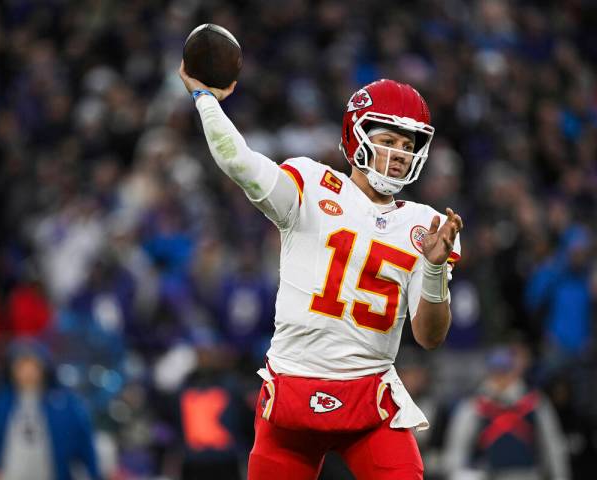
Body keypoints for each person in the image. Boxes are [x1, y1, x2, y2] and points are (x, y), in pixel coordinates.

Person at [178, 61, 463, 480]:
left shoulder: (425, 226)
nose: (400, 154)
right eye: (388, 140)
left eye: (408, 144)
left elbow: (429, 337)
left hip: (371, 396)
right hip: (294, 388)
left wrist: (435, 269)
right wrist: (206, 100)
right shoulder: (311, 185)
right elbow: (239, 162)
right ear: (357, 137)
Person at [0, 339, 99, 480]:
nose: (28, 372)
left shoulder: (65, 404)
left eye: (33, 366)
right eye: (21, 366)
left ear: (43, 368)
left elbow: (84, 441)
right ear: (12, 370)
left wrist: (93, 473)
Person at [443, 345, 571, 480]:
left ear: (514, 371)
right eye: (496, 371)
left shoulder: (534, 402)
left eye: (505, 371)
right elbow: (457, 447)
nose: (501, 378)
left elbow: (552, 446)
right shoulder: (475, 405)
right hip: (488, 474)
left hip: (527, 475)